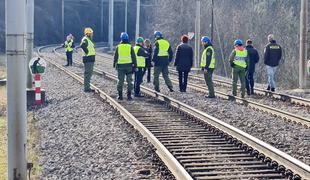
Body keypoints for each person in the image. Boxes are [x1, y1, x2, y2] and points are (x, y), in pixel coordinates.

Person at [113, 32, 137, 100]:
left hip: (120, 66)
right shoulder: (130, 47)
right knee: (129, 81)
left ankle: (120, 96)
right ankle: (129, 96)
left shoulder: (118, 46)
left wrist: (114, 64)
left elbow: (115, 56)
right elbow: (133, 57)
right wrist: (135, 66)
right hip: (129, 66)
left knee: (120, 81)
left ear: (121, 38)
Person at [80, 28, 96, 92]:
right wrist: (87, 52)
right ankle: (86, 88)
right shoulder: (85, 39)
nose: (92, 34)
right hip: (88, 59)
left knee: (89, 73)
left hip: (90, 59)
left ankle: (87, 87)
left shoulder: (88, 39)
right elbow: (82, 45)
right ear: (88, 34)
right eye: (91, 33)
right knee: (88, 74)